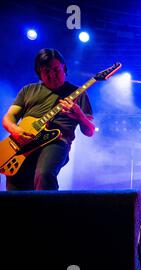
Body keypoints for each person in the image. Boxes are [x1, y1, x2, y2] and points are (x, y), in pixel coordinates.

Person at [2, 48, 95, 190]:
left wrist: (79, 115)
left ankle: (48, 212)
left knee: (44, 174)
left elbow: (90, 131)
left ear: (64, 67)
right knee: (15, 179)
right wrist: (15, 130)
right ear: (39, 73)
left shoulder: (79, 94)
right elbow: (8, 118)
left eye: (56, 70)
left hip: (57, 141)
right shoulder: (28, 90)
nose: (52, 75)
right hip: (24, 141)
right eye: (46, 71)